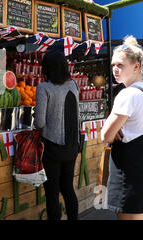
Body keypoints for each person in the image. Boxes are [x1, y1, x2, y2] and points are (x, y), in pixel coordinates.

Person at [101, 35, 143, 220]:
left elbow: (105, 135)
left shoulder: (128, 95)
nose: (115, 69)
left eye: (120, 65)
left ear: (136, 66)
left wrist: (114, 125)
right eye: (113, 65)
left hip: (130, 176)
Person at [33, 50, 80, 220]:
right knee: (68, 188)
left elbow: (39, 122)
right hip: (72, 146)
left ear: (47, 68)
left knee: (52, 192)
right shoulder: (74, 84)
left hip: (52, 147)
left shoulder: (44, 88)